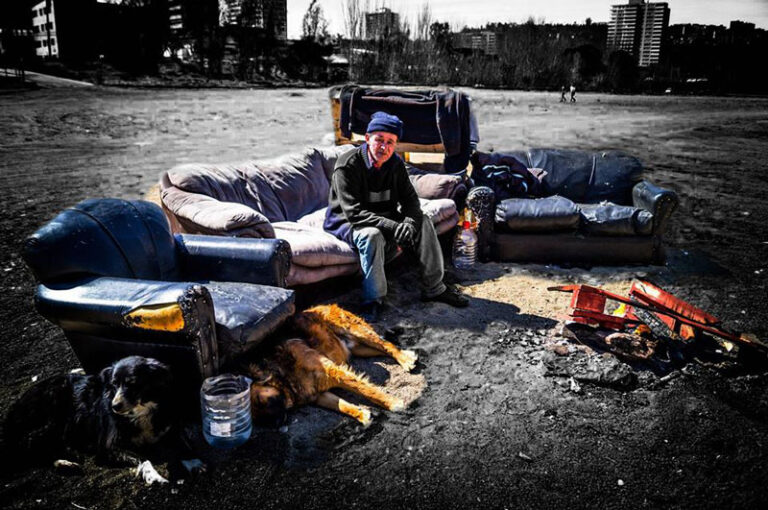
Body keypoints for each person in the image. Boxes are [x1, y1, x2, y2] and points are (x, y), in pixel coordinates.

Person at [324, 111, 469, 321]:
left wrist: (409, 222)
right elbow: (354, 213)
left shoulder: (395, 163)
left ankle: (435, 288)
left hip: (385, 218)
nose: (384, 147)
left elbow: (411, 202)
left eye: (390, 142)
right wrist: (394, 226)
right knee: (372, 235)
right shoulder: (347, 165)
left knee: (423, 221)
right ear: (367, 138)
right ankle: (373, 300)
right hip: (348, 222)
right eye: (379, 139)